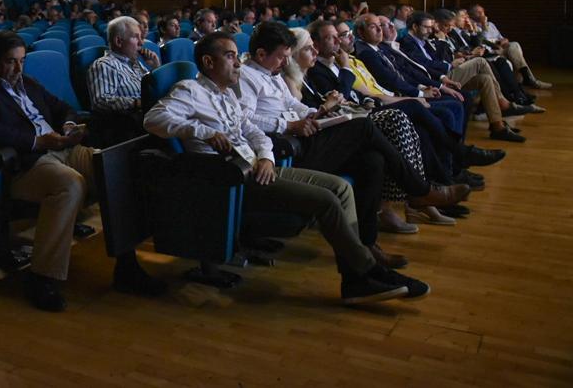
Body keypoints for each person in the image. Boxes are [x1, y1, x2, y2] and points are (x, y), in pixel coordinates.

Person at [143, 32, 429, 304]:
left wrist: (266, 156)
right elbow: (153, 119)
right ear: (208, 62)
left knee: (340, 188)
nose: (237, 62)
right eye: (230, 56)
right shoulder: (190, 90)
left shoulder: (227, 94)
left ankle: (356, 275)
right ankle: (367, 273)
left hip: (258, 166)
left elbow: (253, 131)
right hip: (228, 176)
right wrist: (201, 132)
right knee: (327, 201)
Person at [0, 31, 164, 312]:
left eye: (22, 61)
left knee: (113, 169)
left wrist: (69, 127)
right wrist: (37, 141)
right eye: (11, 62)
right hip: (26, 162)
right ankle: (42, 277)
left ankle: (127, 267)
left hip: (62, 148)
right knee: (70, 185)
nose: (18, 69)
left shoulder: (27, 83)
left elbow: (63, 108)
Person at [237, 22, 465, 270]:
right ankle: (418, 189)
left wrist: (318, 112)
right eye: (282, 57)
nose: (285, 63)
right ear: (261, 55)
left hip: (306, 136)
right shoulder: (246, 78)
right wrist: (288, 126)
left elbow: (294, 104)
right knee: (363, 127)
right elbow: (246, 119)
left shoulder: (272, 76)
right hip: (287, 151)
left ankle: (368, 244)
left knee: (372, 161)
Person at [286, 26, 470, 233]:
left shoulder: (309, 74)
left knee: (380, 152)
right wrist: (337, 88)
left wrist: (349, 101)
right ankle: (425, 188)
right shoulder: (303, 77)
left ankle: (408, 204)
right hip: (321, 137)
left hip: (352, 114)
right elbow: (311, 111)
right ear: (292, 54)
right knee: (396, 118)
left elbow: (355, 95)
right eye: (309, 49)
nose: (316, 52)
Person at [402, 12, 532, 142]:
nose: (430, 31)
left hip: (443, 75)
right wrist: (449, 65)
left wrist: (446, 49)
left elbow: (439, 57)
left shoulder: (424, 40)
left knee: (484, 80)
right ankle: (503, 102)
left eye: (431, 27)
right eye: (426, 27)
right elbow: (423, 64)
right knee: (480, 62)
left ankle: (497, 126)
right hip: (434, 80)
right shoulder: (407, 42)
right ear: (414, 27)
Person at [87, 16, 159, 146]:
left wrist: (156, 67)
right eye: (136, 37)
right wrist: (137, 103)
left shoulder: (137, 63)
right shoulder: (104, 65)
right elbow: (100, 101)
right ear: (119, 41)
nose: (141, 43)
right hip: (132, 125)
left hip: (152, 115)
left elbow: (153, 89)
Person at [468, 4, 551, 89]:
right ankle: (529, 80)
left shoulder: (491, 24)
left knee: (514, 45)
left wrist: (504, 40)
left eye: (483, 11)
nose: (482, 14)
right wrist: (483, 25)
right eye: (479, 12)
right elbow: (481, 42)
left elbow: (501, 37)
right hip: (491, 51)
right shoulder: (472, 27)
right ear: (472, 15)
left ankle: (526, 79)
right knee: (514, 52)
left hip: (501, 47)